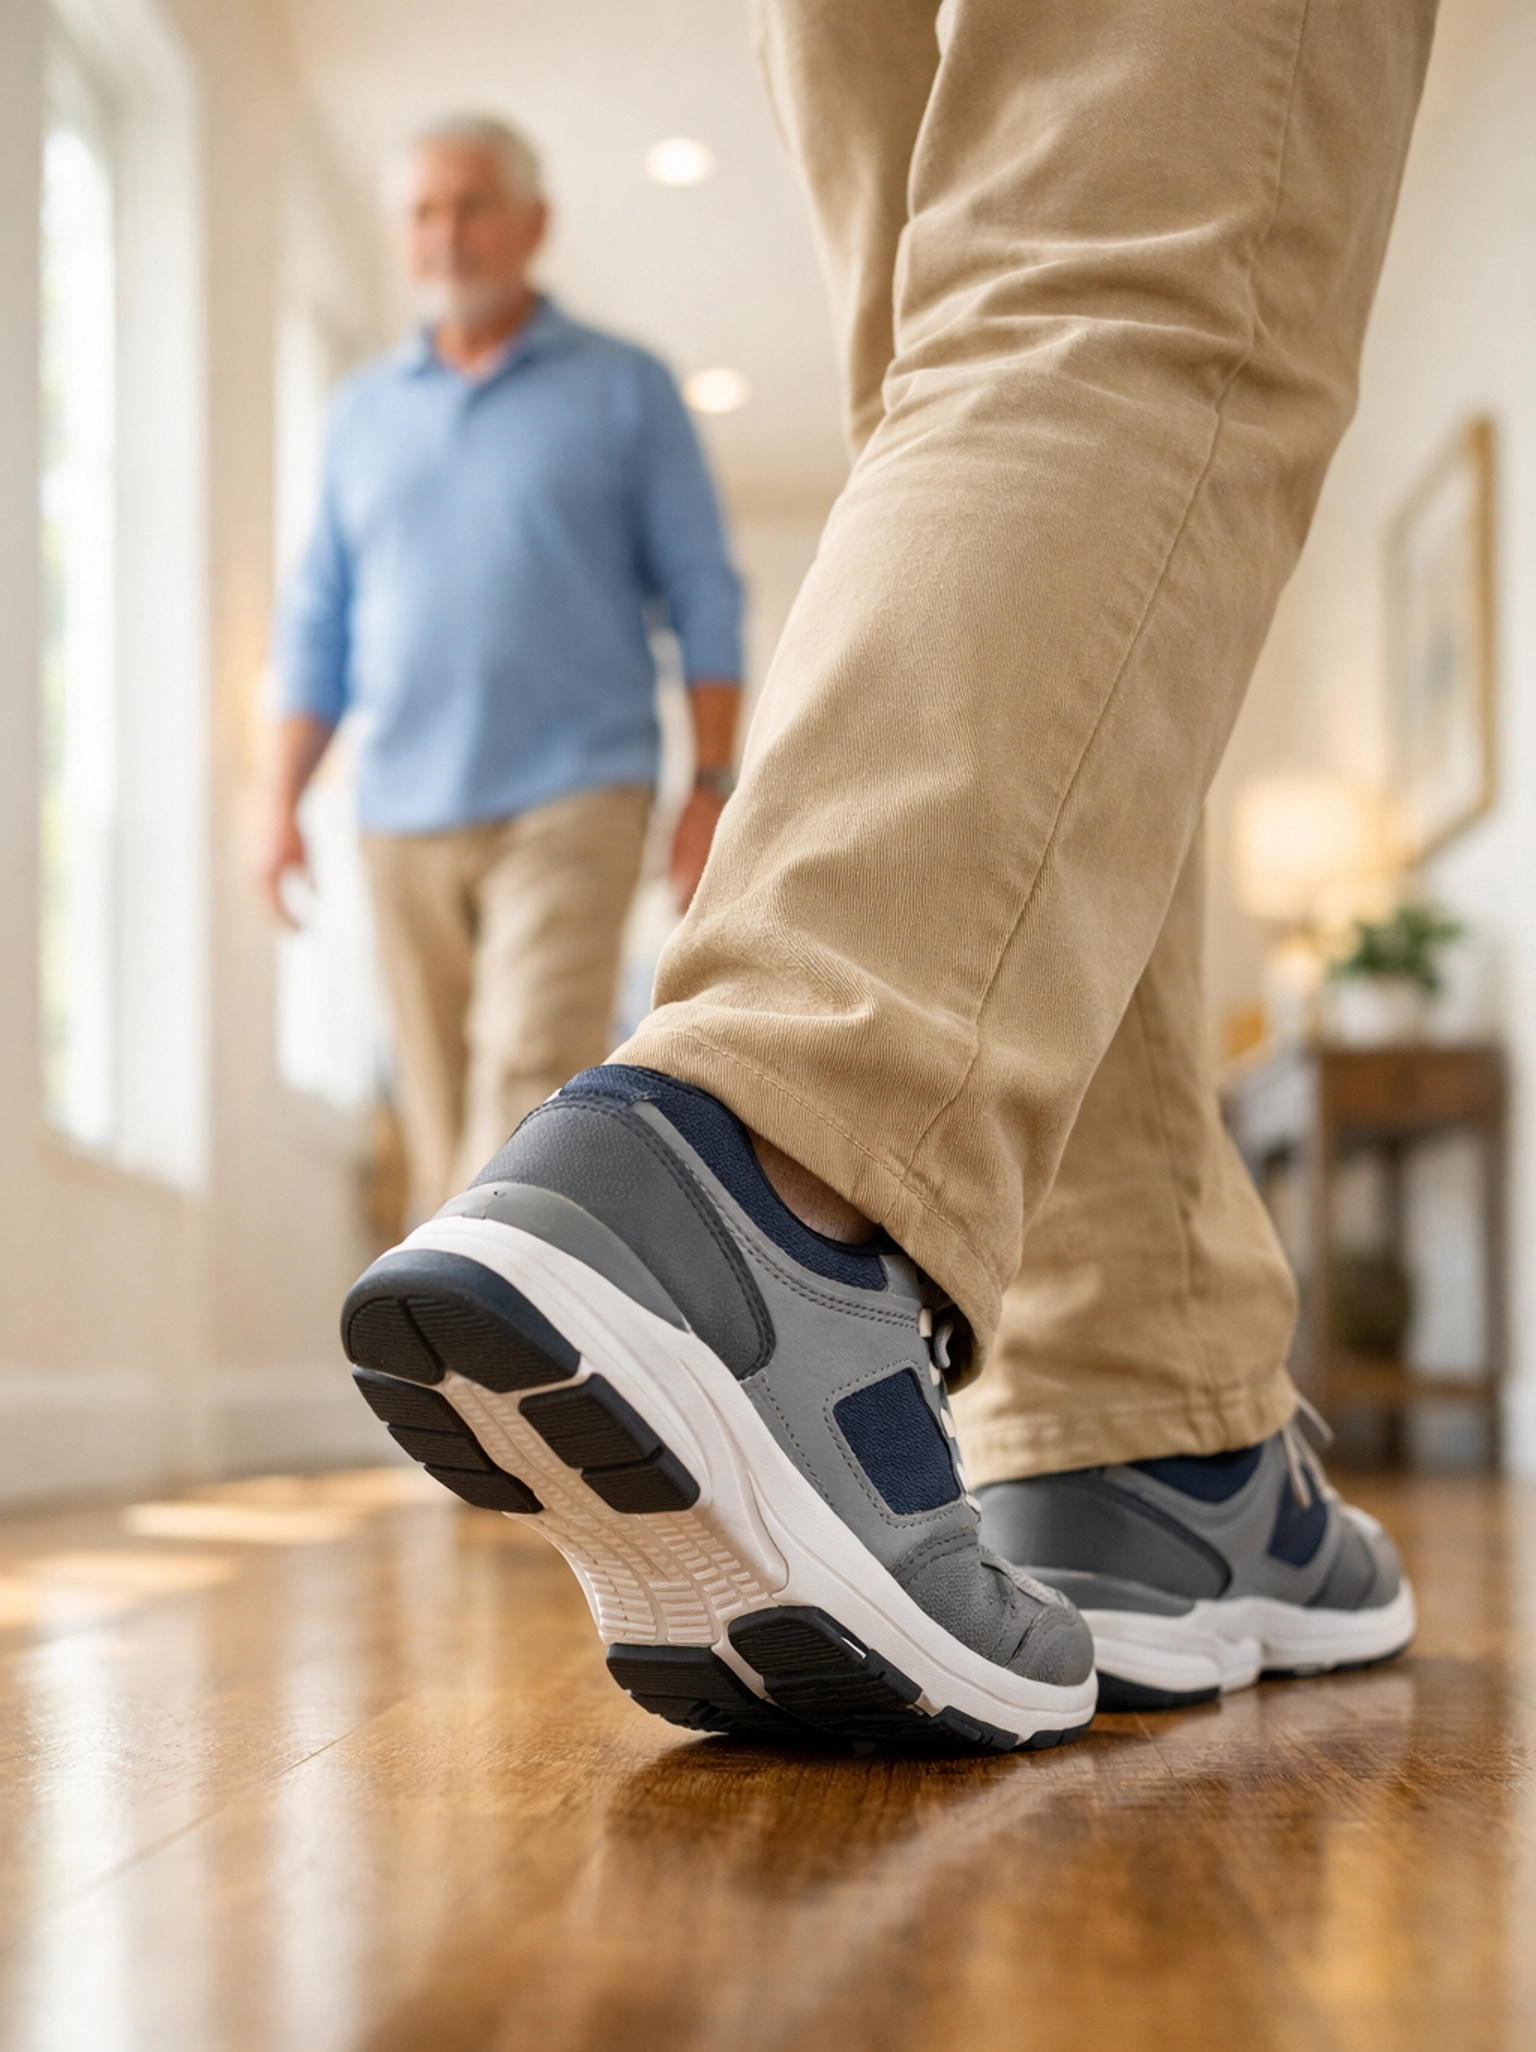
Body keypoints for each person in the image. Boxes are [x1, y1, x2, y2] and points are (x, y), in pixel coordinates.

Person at [342, 0, 1434, 1752]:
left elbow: (692, 582)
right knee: (1142, 293)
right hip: (428, 796)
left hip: (568, 773)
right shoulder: (368, 417)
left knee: (976, 373)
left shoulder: (603, 390)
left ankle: (1140, 1426)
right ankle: (764, 1182)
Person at [263, 116, 743, 1215]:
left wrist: (709, 783)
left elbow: (704, 591)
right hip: (400, 810)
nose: (447, 235)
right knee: (439, 1114)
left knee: (528, 1076)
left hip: (575, 794)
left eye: (472, 205)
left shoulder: (627, 388)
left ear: (534, 224)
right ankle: (466, 1354)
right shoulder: (360, 415)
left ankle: (476, 1340)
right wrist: (282, 799)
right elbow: (319, 621)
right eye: (423, 212)